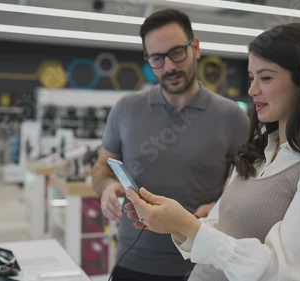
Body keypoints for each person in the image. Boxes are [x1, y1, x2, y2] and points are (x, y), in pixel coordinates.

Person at [124, 22, 300, 281]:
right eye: (252, 77)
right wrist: (174, 223)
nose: (252, 90)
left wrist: (186, 224)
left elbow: (281, 271)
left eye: (266, 77)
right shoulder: (261, 155)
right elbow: (219, 232)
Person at [91, 8, 249, 281]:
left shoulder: (232, 116)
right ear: (147, 59)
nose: (169, 67)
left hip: (203, 266)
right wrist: (106, 188)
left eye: (177, 53)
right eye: (157, 58)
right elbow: (101, 168)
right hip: (133, 263)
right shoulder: (126, 109)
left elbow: (251, 186)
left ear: (195, 47)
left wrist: (222, 208)